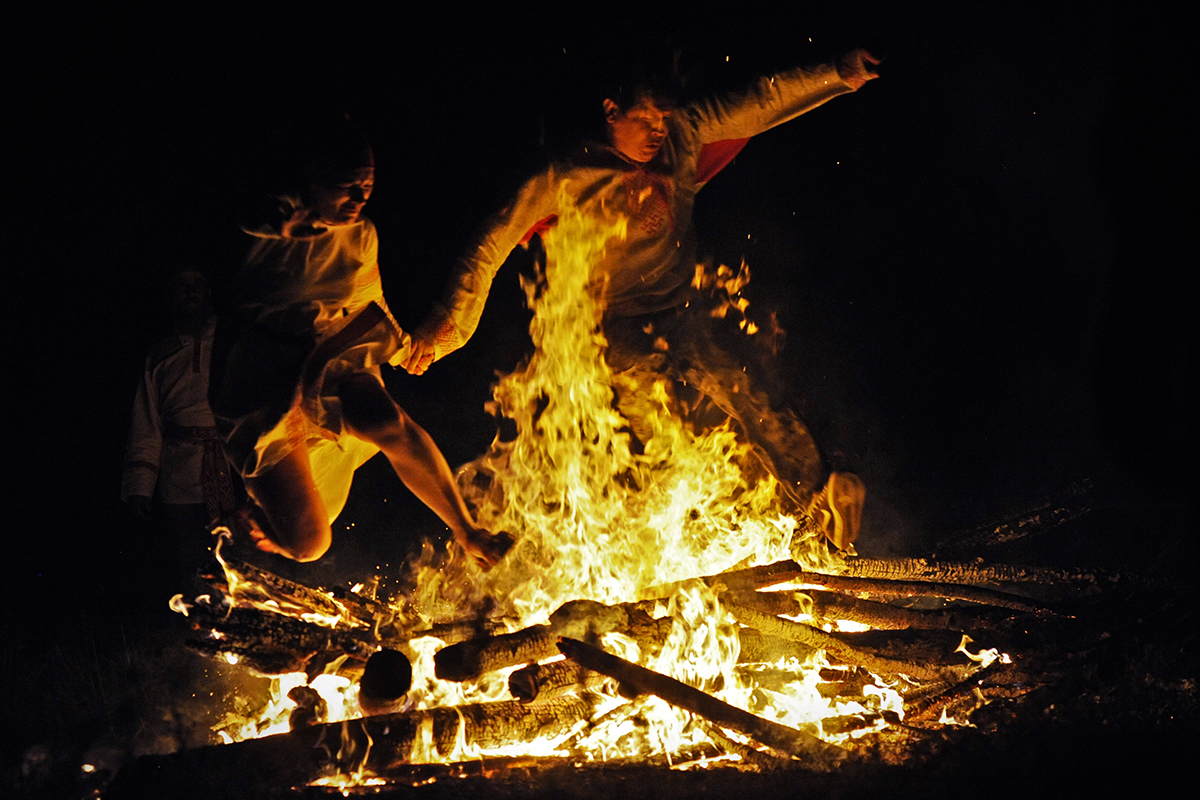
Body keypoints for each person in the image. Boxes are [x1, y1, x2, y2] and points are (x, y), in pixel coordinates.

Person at [402, 50, 879, 548]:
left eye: (663, 119)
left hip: (681, 314)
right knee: (663, 437)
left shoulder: (685, 133)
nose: (657, 131)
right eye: (644, 119)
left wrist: (836, 75)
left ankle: (821, 509)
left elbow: (760, 100)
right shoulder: (564, 175)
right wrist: (446, 325)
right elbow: (491, 241)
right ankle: (663, 543)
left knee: (752, 398)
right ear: (611, 112)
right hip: (613, 332)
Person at [209, 119, 510, 567]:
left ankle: (468, 532)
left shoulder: (362, 234)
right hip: (263, 374)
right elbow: (247, 215)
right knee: (311, 544)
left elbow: (371, 303)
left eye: (367, 188)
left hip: (335, 351)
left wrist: (408, 347)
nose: (360, 199)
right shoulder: (267, 227)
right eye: (348, 187)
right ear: (312, 180)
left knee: (386, 420)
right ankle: (251, 521)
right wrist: (284, 222)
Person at [122, 268, 237, 585]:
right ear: (171, 297)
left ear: (208, 295)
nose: (190, 292)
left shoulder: (231, 344)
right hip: (179, 479)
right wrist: (140, 487)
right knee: (189, 565)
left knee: (239, 562)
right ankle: (197, 628)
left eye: (197, 285)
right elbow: (147, 424)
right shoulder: (160, 355)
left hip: (231, 467)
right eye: (181, 287)